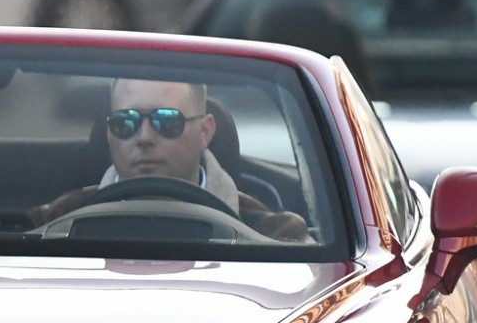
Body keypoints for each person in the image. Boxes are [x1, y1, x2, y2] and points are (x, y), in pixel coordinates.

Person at [28, 78, 307, 239]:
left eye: (166, 120)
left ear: (205, 132)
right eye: (126, 121)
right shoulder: (55, 221)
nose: (144, 137)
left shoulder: (269, 232)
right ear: (109, 132)